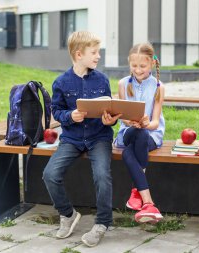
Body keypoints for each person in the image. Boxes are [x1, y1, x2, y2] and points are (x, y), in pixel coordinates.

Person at [42, 31, 121, 247]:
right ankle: (68, 214)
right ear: (79, 54)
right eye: (94, 53)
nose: (98, 57)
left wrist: (109, 121)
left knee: (102, 176)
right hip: (72, 139)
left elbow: (110, 111)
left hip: (99, 138)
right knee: (49, 174)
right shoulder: (60, 82)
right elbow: (56, 111)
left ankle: (102, 223)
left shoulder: (102, 80)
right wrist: (70, 116)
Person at [116, 42, 165, 224]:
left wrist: (146, 123)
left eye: (142, 66)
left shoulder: (159, 87)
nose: (137, 70)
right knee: (136, 135)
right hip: (128, 132)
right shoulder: (123, 84)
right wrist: (129, 121)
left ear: (151, 63)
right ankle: (149, 203)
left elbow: (155, 122)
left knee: (133, 147)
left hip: (150, 134)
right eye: (134, 66)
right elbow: (122, 118)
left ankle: (142, 197)